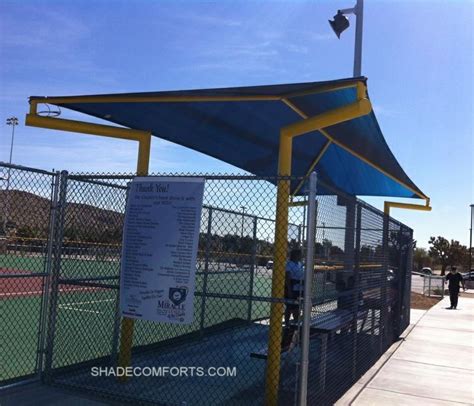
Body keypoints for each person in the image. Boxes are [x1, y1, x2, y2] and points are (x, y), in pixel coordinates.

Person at [284, 248, 304, 326]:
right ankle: (287, 323)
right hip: (292, 287)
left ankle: (296, 323)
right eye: (299, 254)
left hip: (299, 288)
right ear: (295, 255)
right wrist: (289, 290)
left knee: (297, 307)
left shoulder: (299, 264)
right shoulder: (289, 264)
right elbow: (288, 278)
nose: (301, 256)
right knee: (289, 306)